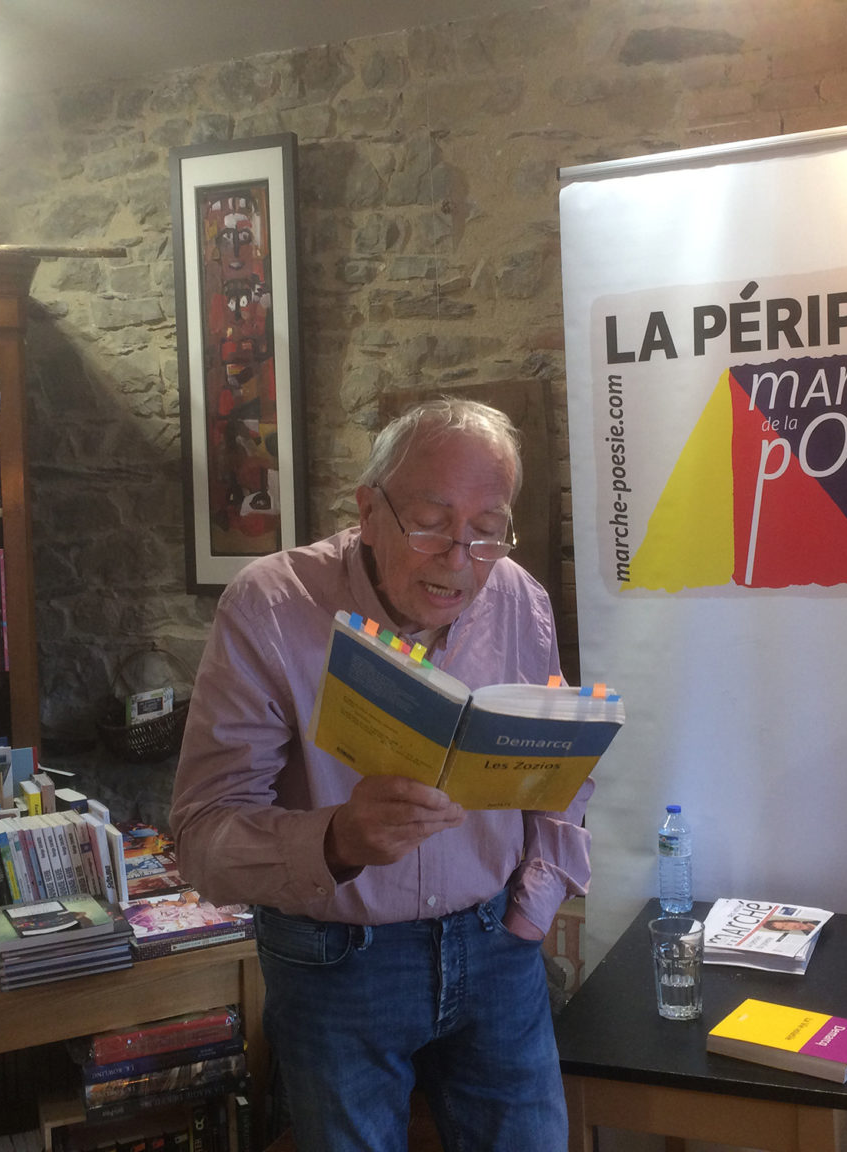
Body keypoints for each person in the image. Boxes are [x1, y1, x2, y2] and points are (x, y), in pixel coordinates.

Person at [170, 397, 589, 1152]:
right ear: (369, 511)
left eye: (487, 530)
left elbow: (555, 770)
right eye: (430, 522)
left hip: (497, 944)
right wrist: (336, 840)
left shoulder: (517, 597)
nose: (459, 558)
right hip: (335, 962)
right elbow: (203, 836)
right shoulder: (272, 605)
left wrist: (534, 906)